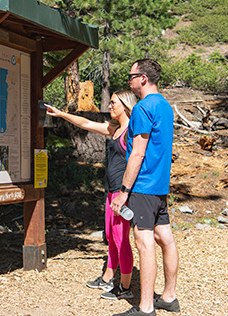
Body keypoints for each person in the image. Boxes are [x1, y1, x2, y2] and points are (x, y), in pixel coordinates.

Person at [45, 90, 137, 300]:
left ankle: (125, 288)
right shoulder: (114, 128)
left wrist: (126, 192)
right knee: (111, 238)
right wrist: (61, 114)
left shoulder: (131, 131)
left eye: (113, 103)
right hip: (111, 191)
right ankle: (107, 279)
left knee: (122, 240)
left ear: (125, 105)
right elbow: (85, 124)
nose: (110, 106)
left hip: (122, 194)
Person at [111, 59, 179, 316]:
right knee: (166, 239)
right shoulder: (165, 105)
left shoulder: (142, 108)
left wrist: (123, 191)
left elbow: (137, 154)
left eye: (131, 76)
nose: (128, 81)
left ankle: (146, 307)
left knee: (144, 242)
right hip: (160, 187)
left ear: (143, 78)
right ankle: (169, 296)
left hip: (143, 186)